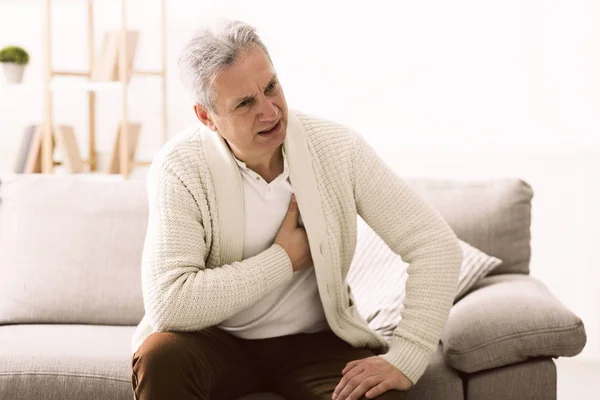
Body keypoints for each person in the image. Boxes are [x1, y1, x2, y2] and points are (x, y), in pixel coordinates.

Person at [130, 19, 462, 400]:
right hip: (214, 341)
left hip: (315, 342)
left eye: (271, 87)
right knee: (161, 358)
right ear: (207, 118)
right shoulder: (180, 167)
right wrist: (284, 259)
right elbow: (171, 303)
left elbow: (435, 246)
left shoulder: (338, 148)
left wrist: (408, 354)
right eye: (245, 104)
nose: (270, 112)